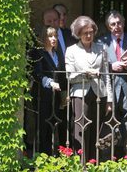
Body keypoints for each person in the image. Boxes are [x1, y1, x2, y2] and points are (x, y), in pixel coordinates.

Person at [65, 16, 112, 161]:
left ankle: (94, 163)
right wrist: (86, 74)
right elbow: (69, 76)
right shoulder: (71, 50)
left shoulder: (101, 48)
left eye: (91, 32)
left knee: (96, 131)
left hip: (99, 94)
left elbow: (106, 75)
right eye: (85, 32)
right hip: (80, 94)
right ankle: (81, 163)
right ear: (78, 33)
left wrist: (109, 99)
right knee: (81, 130)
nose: (89, 35)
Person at [97, 10, 127, 160]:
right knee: (109, 125)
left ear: (124, 23)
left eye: (119, 23)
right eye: (113, 24)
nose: (117, 27)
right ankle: (106, 161)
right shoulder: (101, 42)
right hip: (110, 90)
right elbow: (98, 65)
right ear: (108, 26)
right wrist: (111, 66)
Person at [43, 8, 77, 147]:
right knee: (47, 123)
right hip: (49, 89)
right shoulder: (41, 39)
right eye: (49, 21)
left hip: (68, 85)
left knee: (67, 122)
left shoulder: (70, 34)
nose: (53, 23)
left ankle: (66, 153)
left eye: (55, 20)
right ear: (44, 22)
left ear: (60, 20)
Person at [32, 26, 62, 155]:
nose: (53, 39)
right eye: (50, 36)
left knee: (52, 125)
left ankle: (50, 155)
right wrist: (50, 82)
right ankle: (40, 155)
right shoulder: (38, 53)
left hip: (55, 96)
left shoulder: (58, 54)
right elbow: (37, 74)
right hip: (42, 96)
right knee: (42, 127)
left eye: (55, 36)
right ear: (44, 38)